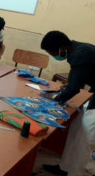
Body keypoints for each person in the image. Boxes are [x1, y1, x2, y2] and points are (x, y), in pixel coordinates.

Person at [40, 31, 95, 176]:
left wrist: (55, 101)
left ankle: (75, 173)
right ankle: (65, 167)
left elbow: (75, 89)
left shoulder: (80, 53)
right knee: (76, 125)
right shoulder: (76, 49)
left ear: (62, 48)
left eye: (52, 53)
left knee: (86, 132)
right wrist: (70, 85)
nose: (54, 56)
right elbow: (77, 76)